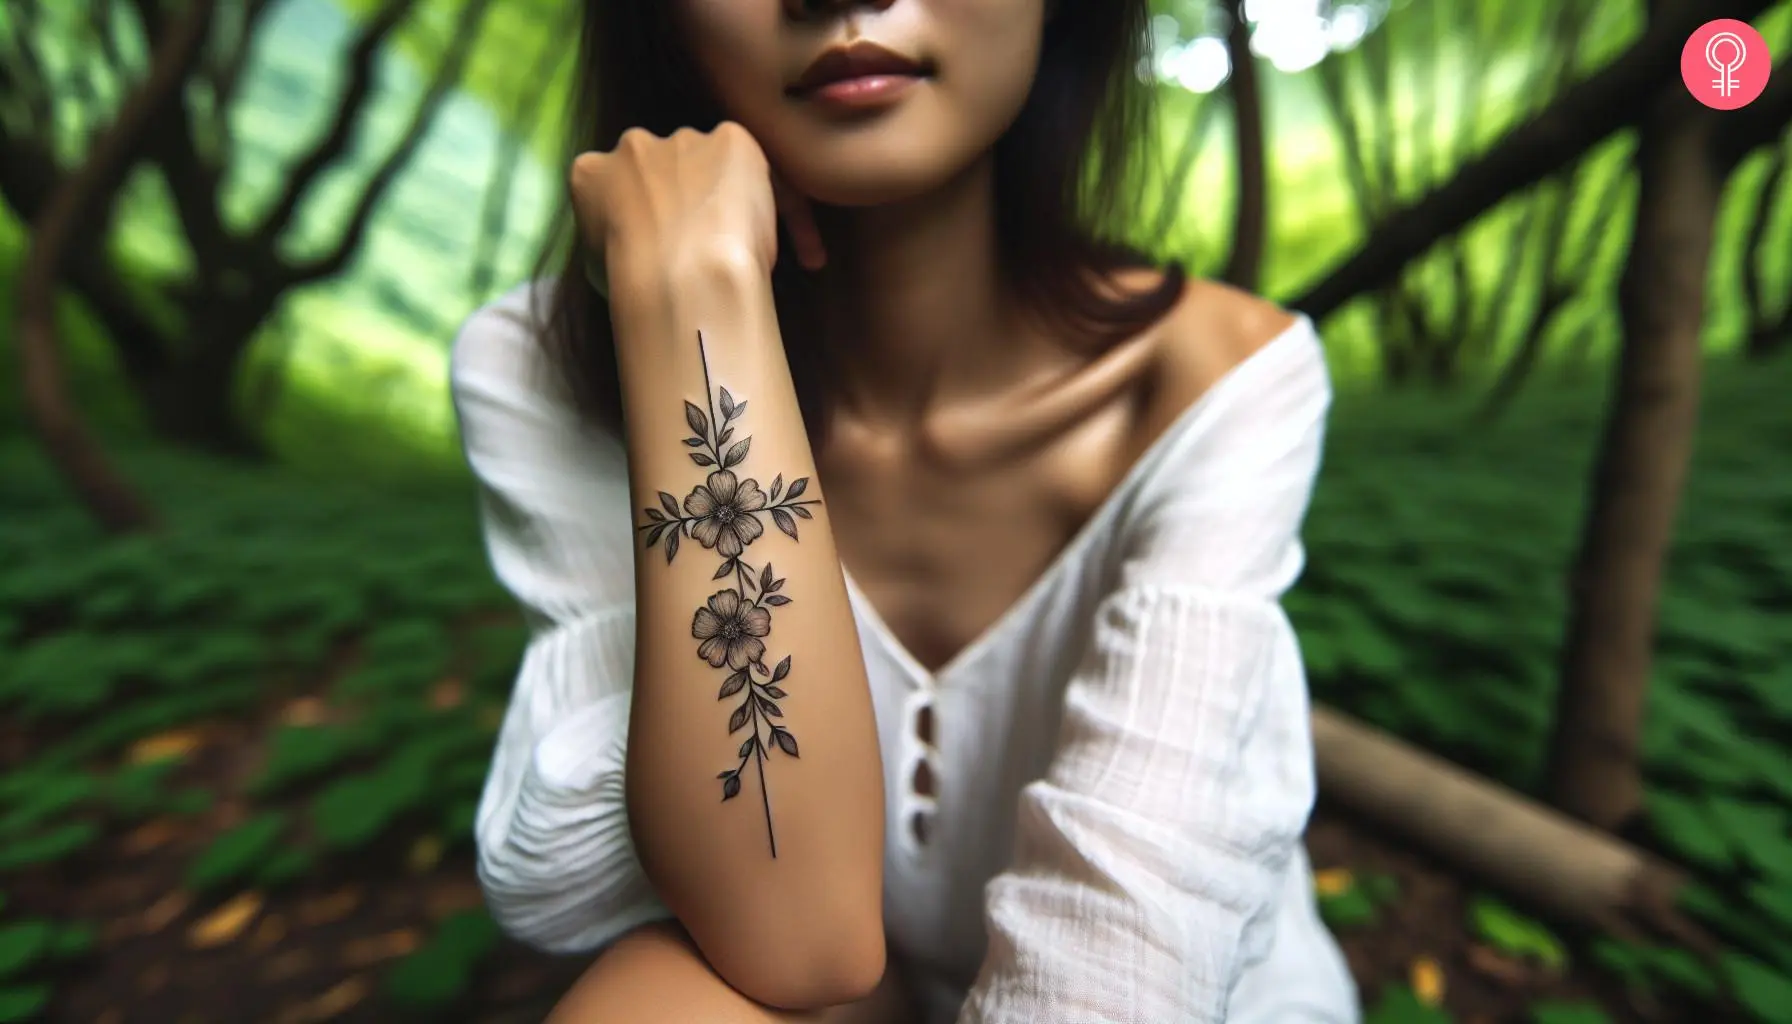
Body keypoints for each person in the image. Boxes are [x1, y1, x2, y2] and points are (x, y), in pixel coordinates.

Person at [449, 0, 1360, 1020]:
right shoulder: (544, 368)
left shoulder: (1221, 382)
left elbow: (1121, 965)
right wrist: (689, 296)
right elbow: (789, 941)